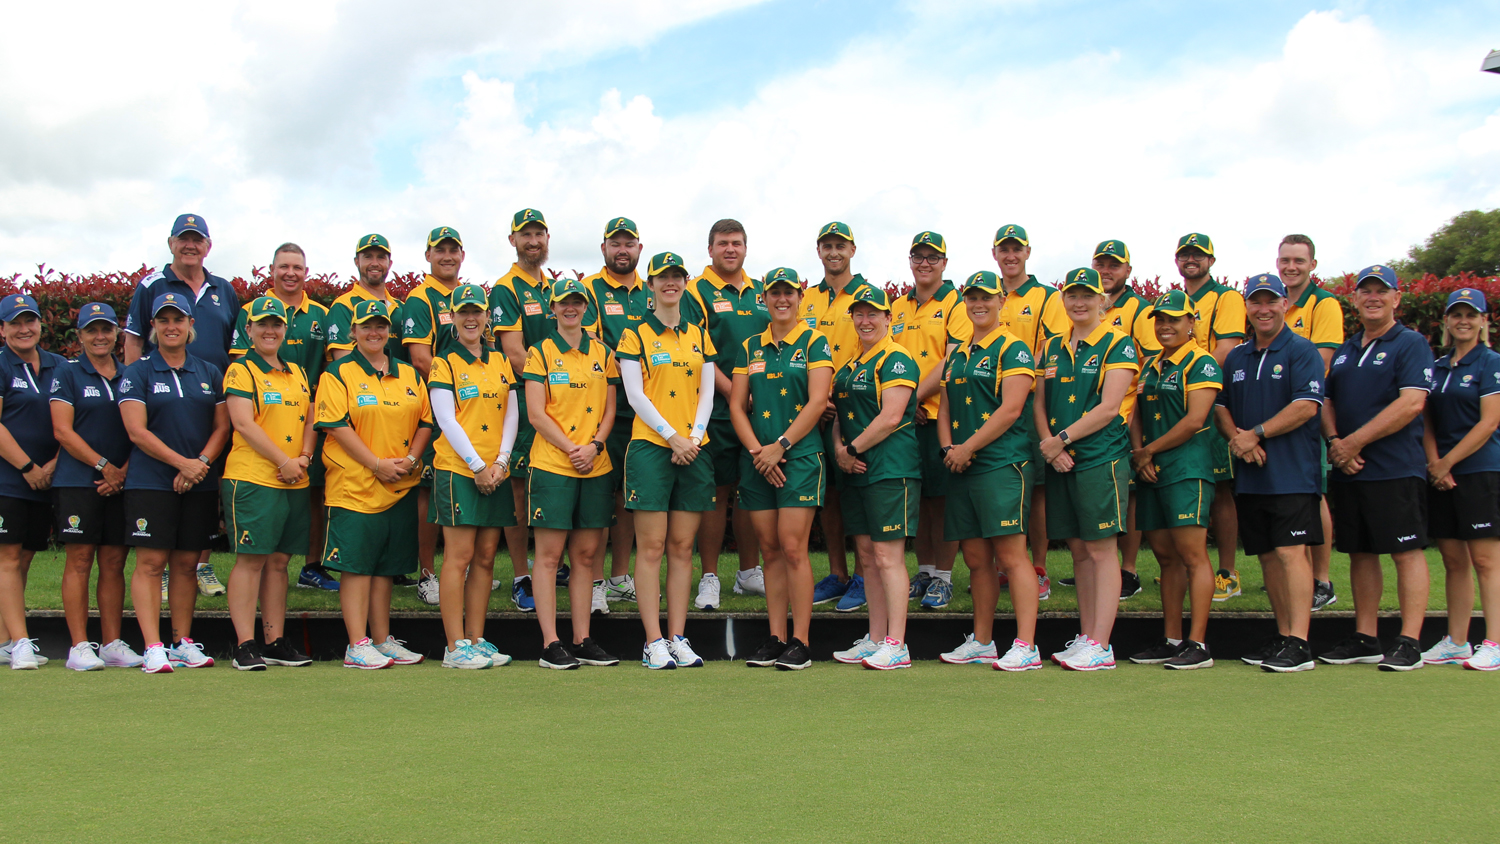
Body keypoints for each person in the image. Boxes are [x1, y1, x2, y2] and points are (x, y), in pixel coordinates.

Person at [1319, 265, 1435, 670]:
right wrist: (1336, 443)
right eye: (1365, 291)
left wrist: (1354, 442)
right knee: (1361, 553)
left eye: (1381, 291)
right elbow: (1327, 400)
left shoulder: (1411, 343)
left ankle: (1410, 641)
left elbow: (1411, 403)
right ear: (1354, 299)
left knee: (1406, 552)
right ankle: (1366, 637)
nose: (1373, 297)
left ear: (1396, 298)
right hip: (1351, 468)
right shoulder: (1349, 349)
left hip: (1396, 467)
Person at [123, 213, 240, 600]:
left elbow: (233, 349)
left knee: (205, 491)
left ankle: (200, 564)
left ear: (208, 246)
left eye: (198, 239)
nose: (191, 246)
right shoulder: (151, 285)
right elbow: (135, 341)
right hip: (160, 399)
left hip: (211, 401)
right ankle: (171, 573)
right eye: (183, 239)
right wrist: (132, 390)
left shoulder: (223, 288)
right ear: (171, 243)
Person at [1214, 273, 1327, 672]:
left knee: (1290, 553)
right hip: (1252, 474)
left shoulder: (1301, 350)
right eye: (1255, 302)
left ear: (1284, 305)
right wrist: (1239, 438)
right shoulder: (1239, 356)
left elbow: (1307, 406)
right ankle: (1283, 636)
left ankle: (1300, 642)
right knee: (1266, 556)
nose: (1263, 309)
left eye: (1271, 301)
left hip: (1293, 472)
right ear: (1246, 307)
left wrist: (1256, 434)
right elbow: (1221, 405)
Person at [118, 292, 232, 673]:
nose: (171, 327)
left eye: (178, 320)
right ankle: (152, 645)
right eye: (164, 320)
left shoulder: (208, 372)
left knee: (186, 564)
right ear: (153, 326)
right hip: (150, 483)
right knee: (151, 564)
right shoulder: (138, 371)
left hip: (198, 482)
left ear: (190, 325)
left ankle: (182, 642)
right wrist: (182, 464)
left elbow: (222, 427)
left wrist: (199, 464)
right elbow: (137, 431)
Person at [316, 299, 432, 669]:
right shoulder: (338, 372)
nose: (374, 332)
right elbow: (335, 424)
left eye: (381, 326)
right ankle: (356, 643)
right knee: (358, 566)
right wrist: (376, 464)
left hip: (399, 483)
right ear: (353, 331)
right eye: (366, 326)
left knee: (386, 567)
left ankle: (382, 640)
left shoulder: (409, 373)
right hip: (355, 485)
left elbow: (425, 422)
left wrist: (411, 460)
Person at [934, 271, 1041, 670]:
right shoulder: (957, 352)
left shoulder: (1013, 349)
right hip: (961, 463)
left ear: (1001, 301)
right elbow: (944, 406)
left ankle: (1026, 645)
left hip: (1000, 462)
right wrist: (949, 447)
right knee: (976, 559)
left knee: (1012, 556)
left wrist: (967, 448)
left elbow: (1011, 409)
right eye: (972, 297)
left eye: (987, 297)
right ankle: (982, 641)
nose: (979, 304)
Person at [1034, 268, 1138, 671]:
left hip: (1099, 456)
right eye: (1072, 295)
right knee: (1078, 549)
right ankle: (1086, 635)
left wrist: (1061, 440)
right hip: (1061, 457)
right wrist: (1049, 445)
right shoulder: (1051, 347)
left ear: (1103, 300)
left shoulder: (1119, 343)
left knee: (1100, 548)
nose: (1079, 302)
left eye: (1087, 295)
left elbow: (1109, 407)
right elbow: (1039, 403)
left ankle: (1102, 642)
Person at [619, 253, 717, 669]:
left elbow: (708, 391)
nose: (670, 284)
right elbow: (635, 395)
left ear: (684, 282)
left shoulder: (699, 334)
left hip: (694, 448)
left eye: (677, 277)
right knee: (653, 546)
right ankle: (653, 640)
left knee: (681, 547)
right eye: (663, 278)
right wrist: (673, 437)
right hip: (651, 447)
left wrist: (692, 437)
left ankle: (678, 636)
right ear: (652, 285)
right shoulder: (634, 335)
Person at [731, 267, 833, 670]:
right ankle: (774, 637)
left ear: (799, 297)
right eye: (774, 293)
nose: (781, 299)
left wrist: (781, 446)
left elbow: (818, 401)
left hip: (800, 457)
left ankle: (801, 641)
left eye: (788, 292)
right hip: (758, 459)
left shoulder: (814, 341)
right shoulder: (750, 346)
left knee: (792, 547)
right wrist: (760, 451)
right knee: (769, 550)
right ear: (765, 298)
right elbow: (738, 406)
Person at [522, 278, 620, 670]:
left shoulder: (603, 353)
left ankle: (582, 638)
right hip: (553, 465)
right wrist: (571, 449)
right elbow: (535, 413)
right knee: (548, 557)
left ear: (585, 307)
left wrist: (594, 446)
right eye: (564, 303)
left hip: (595, 463)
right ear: (553, 308)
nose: (571, 308)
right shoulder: (540, 353)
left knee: (585, 555)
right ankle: (550, 643)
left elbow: (611, 409)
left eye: (577, 302)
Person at [233, 244, 336, 596]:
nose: (290, 273)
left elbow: (329, 367)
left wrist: (305, 451)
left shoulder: (321, 313)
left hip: (306, 416)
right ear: (271, 270)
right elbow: (239, 365)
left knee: (314, 494)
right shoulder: (248, 312)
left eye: (297, 267)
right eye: (283, 267)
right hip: (262, 421)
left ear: (306, 272)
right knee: (260, 546)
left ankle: (311, 566)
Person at [1127, 290, 1222, 669]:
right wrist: (1139, 453)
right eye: (1160, 319)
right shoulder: (1150, 364)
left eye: (1174, 319)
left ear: (1191, 323)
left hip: (1187, 470)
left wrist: (1149, 451)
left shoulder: (1202, 363)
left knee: (1193, 556)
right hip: (1151, 470)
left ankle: (1198, 644)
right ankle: (1171, 639)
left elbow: (1194, 420)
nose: (1166, 326)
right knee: (1166, 558)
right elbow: (1135, 415)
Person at [827, 286, 920, 670]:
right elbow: (837, 417)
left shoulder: (897, 357)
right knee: (867, 556)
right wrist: (839, 450)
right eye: (859, 315)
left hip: (890, 468)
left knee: (887, 555)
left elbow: (891, 416)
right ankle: (876, 638)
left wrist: (851, 451)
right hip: (857, 468)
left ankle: (897, 643)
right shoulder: (851, 363)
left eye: (873, 314)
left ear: (888, 318)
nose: (865, 321)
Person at [221, 296, 315, 670]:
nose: (270, 330)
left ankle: (274, 641)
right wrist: (284, 461)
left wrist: (303, 459)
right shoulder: (241, 371)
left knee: (279, 562)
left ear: (285, 328)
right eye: (262, 324)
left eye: (276, 324)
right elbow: (243, 423)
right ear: (249, 330)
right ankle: (245, 644)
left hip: (294, 478)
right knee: (251, 561)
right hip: (253, 478)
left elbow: (310, 421)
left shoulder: (298, 371)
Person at [428, 284, 519, 669]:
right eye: (463, 311)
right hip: (458, 470)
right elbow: (445, 418)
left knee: (484, 557)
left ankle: (477, 639)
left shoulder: (500, 361)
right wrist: (478, 466)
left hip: (495, 471)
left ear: (486, 318)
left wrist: (500, 461)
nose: (470, 318)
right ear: (451, 316)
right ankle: (454, 646)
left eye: (477, 312)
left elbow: (512, 413)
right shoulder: (443, 363)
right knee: (459, 556)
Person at [682, 219, 769, 609]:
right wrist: (735, 393)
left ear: (746, 248)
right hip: (716, 409)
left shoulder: (761, 292)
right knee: (716, 494)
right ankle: (711, 576)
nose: (729, 249)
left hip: (758, 411)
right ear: (710, 249)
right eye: (722, 244)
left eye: (736, 243)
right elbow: (699, 350)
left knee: (751, 492)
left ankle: (750, 574)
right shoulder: (696, 291)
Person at [49, 303, 141, 670]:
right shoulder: (67, 373)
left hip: (121, 481)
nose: (100, 337)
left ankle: (112, 643)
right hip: (78, 481)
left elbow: (142, 430)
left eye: (106, 330)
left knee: (114, 561)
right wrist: (105, 467)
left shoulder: (131, 375)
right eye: (92, 330)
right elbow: (62, 431)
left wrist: (123, 472)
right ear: (80, 335)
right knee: (81, 559)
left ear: (117, 334)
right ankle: (78, 646)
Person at [490, 209, 567, 611]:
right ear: (513, 240)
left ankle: (551, 566)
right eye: (526, 234)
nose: (533, 241)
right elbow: (515, 354)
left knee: (556, 481)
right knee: (519, 491)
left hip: (559, 404)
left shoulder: (550, 288)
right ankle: (522, 575)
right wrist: (551, 392)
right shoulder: (506, 288)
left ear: (547, 238)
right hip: (525, 401)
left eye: (539, 233)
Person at [891, 231, 971, 610]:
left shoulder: (956, 302)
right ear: (910, 261)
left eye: (932, 257)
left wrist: (911, 398)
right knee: (919, 501)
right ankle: (924, 571)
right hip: (909, 418)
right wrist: (907, 404)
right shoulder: (898, 306)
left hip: (941, 415)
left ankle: (944, 577)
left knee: (943, 502)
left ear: (944, 262)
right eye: (917, 256)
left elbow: (951, 359)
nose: (925, 263)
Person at [800, 222, 877, 610]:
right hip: (817, 409)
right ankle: (838, 573)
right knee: (827, 495)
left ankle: (864, 576)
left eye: (840, 246)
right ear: (819, 251)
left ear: (852, 249)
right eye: (827, 246)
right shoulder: (807, 298)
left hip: (855, 406)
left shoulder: (868, 296)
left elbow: (877, 343)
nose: (834, 252)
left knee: (855, 490)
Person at [1421, 289, 1500, 668]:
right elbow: (1427, 421)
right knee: (1453, 560)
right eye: (1457, 315)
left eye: (1472, 315)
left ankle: (1495, 642)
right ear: (1447, 322)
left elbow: (1489, 423)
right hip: (1442, 473)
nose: (1463, 321)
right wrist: (1436, 463)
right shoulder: (1437, 368)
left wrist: (1446, 462)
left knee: (1485, 560)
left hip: (1479, 469)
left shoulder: (1491, 363)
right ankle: (1456, 640)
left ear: (1484, 321)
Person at [992, 224, 1068, 598]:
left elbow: (1051, 346)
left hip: (1028, 404)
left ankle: (1037, 567)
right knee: (996, 486)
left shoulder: (1045, 297)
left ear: (1027, 252)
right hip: (990, 405)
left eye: (1016, 249)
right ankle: (1004, 565)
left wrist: (1015, 376)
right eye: (1004, 249)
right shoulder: (986, 293)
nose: (1010, 256)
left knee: (1035, 491)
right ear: (995, 254)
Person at [581, 218, 651, 612]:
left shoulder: (651, 290)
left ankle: (620, 577)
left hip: (644, 414)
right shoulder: (589, 288)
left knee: (629, 496)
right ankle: (593, 582)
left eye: (629, 243)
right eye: (615, 243)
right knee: (596, 497)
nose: (622, 249)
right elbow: (591, 343)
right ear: (604, 247)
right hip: (601, 410)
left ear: (639, 248)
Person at [1174, 233, 1246, 603]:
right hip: (1179, 402)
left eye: (1198, 255)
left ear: (1211, 261)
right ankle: (1193, 567)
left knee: (1219, 488)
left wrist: (1188, 380)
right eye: (1185, 255)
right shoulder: (1177, 301)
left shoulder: (1226, 297)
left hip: (1210, 399)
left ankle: (1227, 571)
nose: (1191, 260)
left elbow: (1225, 349)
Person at [402, 226, 470, 604]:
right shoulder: (420, 298)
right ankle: (428, 574)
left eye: (453, 250)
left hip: (473, 409)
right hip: (439, 406)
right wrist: (455, 393)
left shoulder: (467, 297)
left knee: (463, 481)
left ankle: (460, 566)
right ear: (428, 255)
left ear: (462, 255)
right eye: (439, 250)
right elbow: (420, 358)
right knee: (429, 489)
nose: (447, 256)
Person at [1277, 234, 1344, 611]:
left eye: (1298, 261)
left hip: (1306, 412)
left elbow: (1320, 363)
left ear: (1312, 265)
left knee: (1313, 493)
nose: (1291, 267)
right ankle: (1300, 576)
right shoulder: (1276, 302)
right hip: (1277, 414)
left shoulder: (1324, 303)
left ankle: (1323, 580)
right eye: (1285, 260)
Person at [0, 295, 65, 670]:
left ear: (41, 324)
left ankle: (6, 639)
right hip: (9, 479)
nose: (24, 329)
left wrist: (52, 466)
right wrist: (28, 467)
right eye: (15, 323)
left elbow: (69, 422)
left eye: (30, 321)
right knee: (7, 558)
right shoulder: (1, 364)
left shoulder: (59, 365)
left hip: (48, 478)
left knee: (23, 558)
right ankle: (21, 642)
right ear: (4, 329)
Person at [1095, 240, 1158, 600]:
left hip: (1123, 415)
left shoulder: (1138, 308)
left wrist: (1134, 411)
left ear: (1128, 271)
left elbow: (1151, 359)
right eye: (1101, 264)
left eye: (1114, 265)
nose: (1107, 271)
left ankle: (1129, 569)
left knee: (1128, 496)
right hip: (1090, 416)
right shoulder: (1091, 304)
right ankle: (1098, 567)